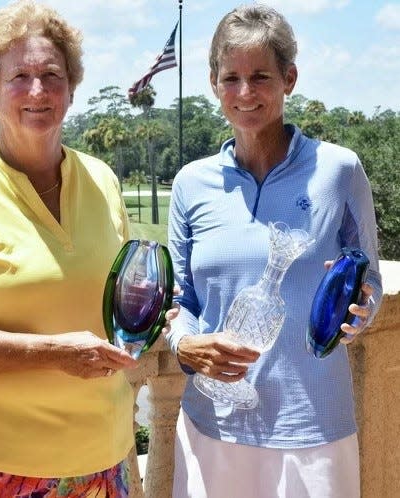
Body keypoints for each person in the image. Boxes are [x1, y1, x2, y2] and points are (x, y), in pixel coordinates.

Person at [0, 1, 180, 495]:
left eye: (52, 74)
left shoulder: (101, 179)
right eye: (19, 76)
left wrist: (151, 311)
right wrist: (50, 353)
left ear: (71, 88)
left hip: (98, 457)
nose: (37, 90)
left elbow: (112, 294)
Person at [166, 5, 382, 497]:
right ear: (214, 83)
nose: (245, 93)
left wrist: (358, 310)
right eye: (231, 78)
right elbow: (180, 299)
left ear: (289, 78)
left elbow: (371, 281)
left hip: (313, 429)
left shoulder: (339, 171)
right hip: (210, 427)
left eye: (261, 76)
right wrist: (185, 344)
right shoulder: (190, 183)